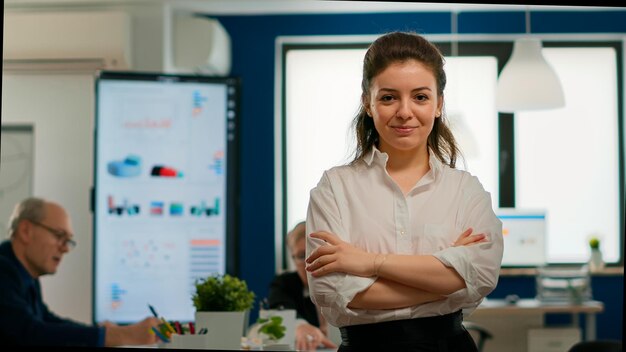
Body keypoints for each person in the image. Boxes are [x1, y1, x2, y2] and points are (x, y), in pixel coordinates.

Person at [305, 31, 504, 351]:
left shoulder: (465, 190)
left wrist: (369, 263)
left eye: (420, 97)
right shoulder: (335, 189)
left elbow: (481, 275)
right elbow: (331, 292)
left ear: (439, 104)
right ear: (367, 103)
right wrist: (449, 280)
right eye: (388, 97)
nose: (404, 111)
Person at [0, 197, 160, 347]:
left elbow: (46, 321)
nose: (65, 249)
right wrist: (122, 335)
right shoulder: (3, 271)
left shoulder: (25, 275)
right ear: (26, 231)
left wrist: (103, 332)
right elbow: (30, 334)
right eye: (59, 236)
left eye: (68, 241)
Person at [268, 221, 337, 351]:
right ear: (292, 259)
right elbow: (279, 308)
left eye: (315, 252)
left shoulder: (349, 280)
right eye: (301, 256)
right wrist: (300, 327)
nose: (309, 262)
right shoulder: (285, 283)